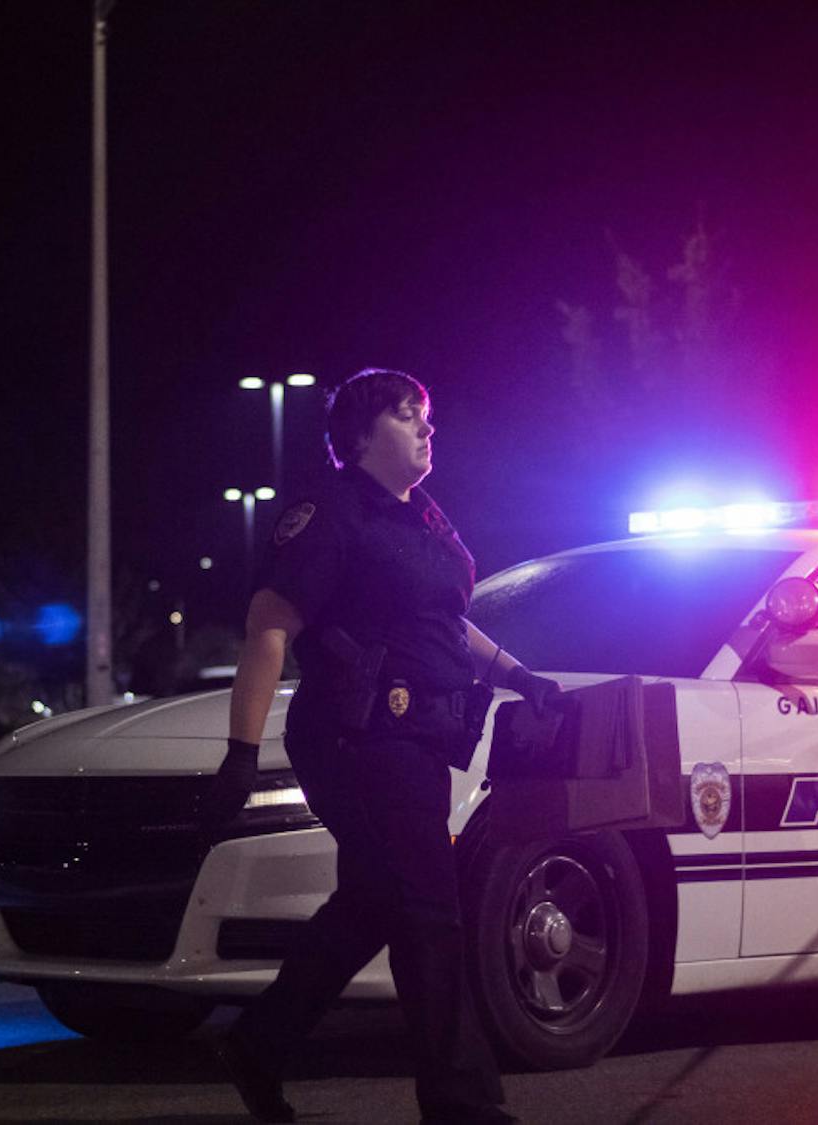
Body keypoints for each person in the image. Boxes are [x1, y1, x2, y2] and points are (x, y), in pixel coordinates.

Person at [199, 368, 562, 1125]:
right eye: (408, 416)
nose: (428, 429)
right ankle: (461, 1102)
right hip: (355, 734)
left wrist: (520, 675)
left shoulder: (425, 519)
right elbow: (270, 625)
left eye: (428, 417)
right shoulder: (330, 514)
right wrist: (241, 750)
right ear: (360, 435)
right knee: (431, 908)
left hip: (422, 738)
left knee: (373, 900)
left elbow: (446, 622)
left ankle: (260, 1042)